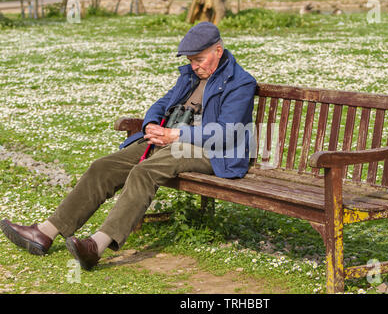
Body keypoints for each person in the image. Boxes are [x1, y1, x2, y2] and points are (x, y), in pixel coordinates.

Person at [0, 22, 256, 270]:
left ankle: (96, 247)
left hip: (212, 152)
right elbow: (162, 103)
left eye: (199, 59)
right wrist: (151, 125)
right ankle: (44, 233)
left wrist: (176, 135)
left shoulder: (240, 82)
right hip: (170, 140)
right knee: (103, 167)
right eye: (190, 60)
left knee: (145, 171)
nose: (194, 66)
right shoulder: (190, 76)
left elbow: (225, 133)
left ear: (218, 51)